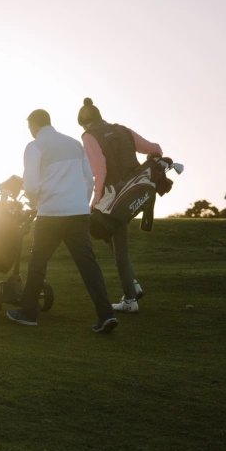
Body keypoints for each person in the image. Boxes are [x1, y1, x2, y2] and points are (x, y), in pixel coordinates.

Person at [6, 109, 118, 334]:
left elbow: (30, 185)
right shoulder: (74, 144)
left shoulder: (35, 146)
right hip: (77, 213)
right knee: (88, 264)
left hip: (50, 214)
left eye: (29, 127)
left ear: (34, 126)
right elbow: (89, 179)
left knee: (38, 263)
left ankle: (28, 313)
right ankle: (107, 315)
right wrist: (80, 202)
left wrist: (35, 202)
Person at [77, 97, 163, 313]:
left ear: (84, 123)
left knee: (118, 245)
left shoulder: (89, 136)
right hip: (136, 191)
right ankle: (132, 284)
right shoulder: (123, 130)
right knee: (109, 236)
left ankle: (130, 300)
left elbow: (100, 171)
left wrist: (94, 202)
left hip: (115, 198)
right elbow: (155, 149)